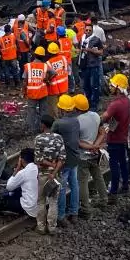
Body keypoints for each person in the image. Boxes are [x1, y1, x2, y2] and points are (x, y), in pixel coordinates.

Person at [51, 94, 83, 223]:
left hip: (63, 161)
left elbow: (51, 138)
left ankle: (61, 215)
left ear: (62, 109)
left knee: (62, 187)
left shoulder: (58, 123)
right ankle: (74, 212)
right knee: (74, 184)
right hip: (75, 157)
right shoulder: (76, 120)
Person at [73, 94, 107, 212]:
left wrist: (90, 146)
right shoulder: (96, 115)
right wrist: (95, 145)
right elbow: (102, 133)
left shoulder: (76, 121)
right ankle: (104, 199)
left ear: (76, 108)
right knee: (98, 176)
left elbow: (77, 141)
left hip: (83, 155)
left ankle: (85, 207)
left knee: (82, 181)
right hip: (95, 153)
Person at [104, 73, 130, 197]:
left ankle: (114, 191)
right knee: (123, 162)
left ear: (117, 87)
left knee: (114, 165)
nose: (110, 87)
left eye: (112, 85)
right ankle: (125, 185)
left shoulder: (115, 104)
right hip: (123, 137)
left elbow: (105, 117)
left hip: (114, 138)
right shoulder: (127, 101)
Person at [0, 148, 39, 219]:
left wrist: (17, 169)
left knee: (3, 195)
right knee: (19, 188)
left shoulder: (23, 172)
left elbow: (9, 187)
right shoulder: (38, 168)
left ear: (22, 159)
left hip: (28, 207)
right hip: (40, 206)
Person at [24, 47, 52, 133]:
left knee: (31, 111)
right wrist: (47, 79)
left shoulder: (28, 66)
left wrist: (24, 91)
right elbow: (54, 73)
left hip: (31, 93)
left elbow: (25, 81)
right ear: (43, 56)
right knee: (43, 110)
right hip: (42, 92)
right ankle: (43, 128)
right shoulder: (45, 66)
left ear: (35, 55)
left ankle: (31, 129)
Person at [78, 21, 105, 112]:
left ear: (92, 31)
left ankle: (95, 103)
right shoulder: (82, 38)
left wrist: (91, 51)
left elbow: (101, 52)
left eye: (90, 30)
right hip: (84, 65)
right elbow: (79, 49)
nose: (88, 31)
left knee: (94, 85)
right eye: (87, 30)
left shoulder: (96, 40)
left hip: (93, 65)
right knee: (86, 85)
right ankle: (88, 102)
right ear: (84, 30)